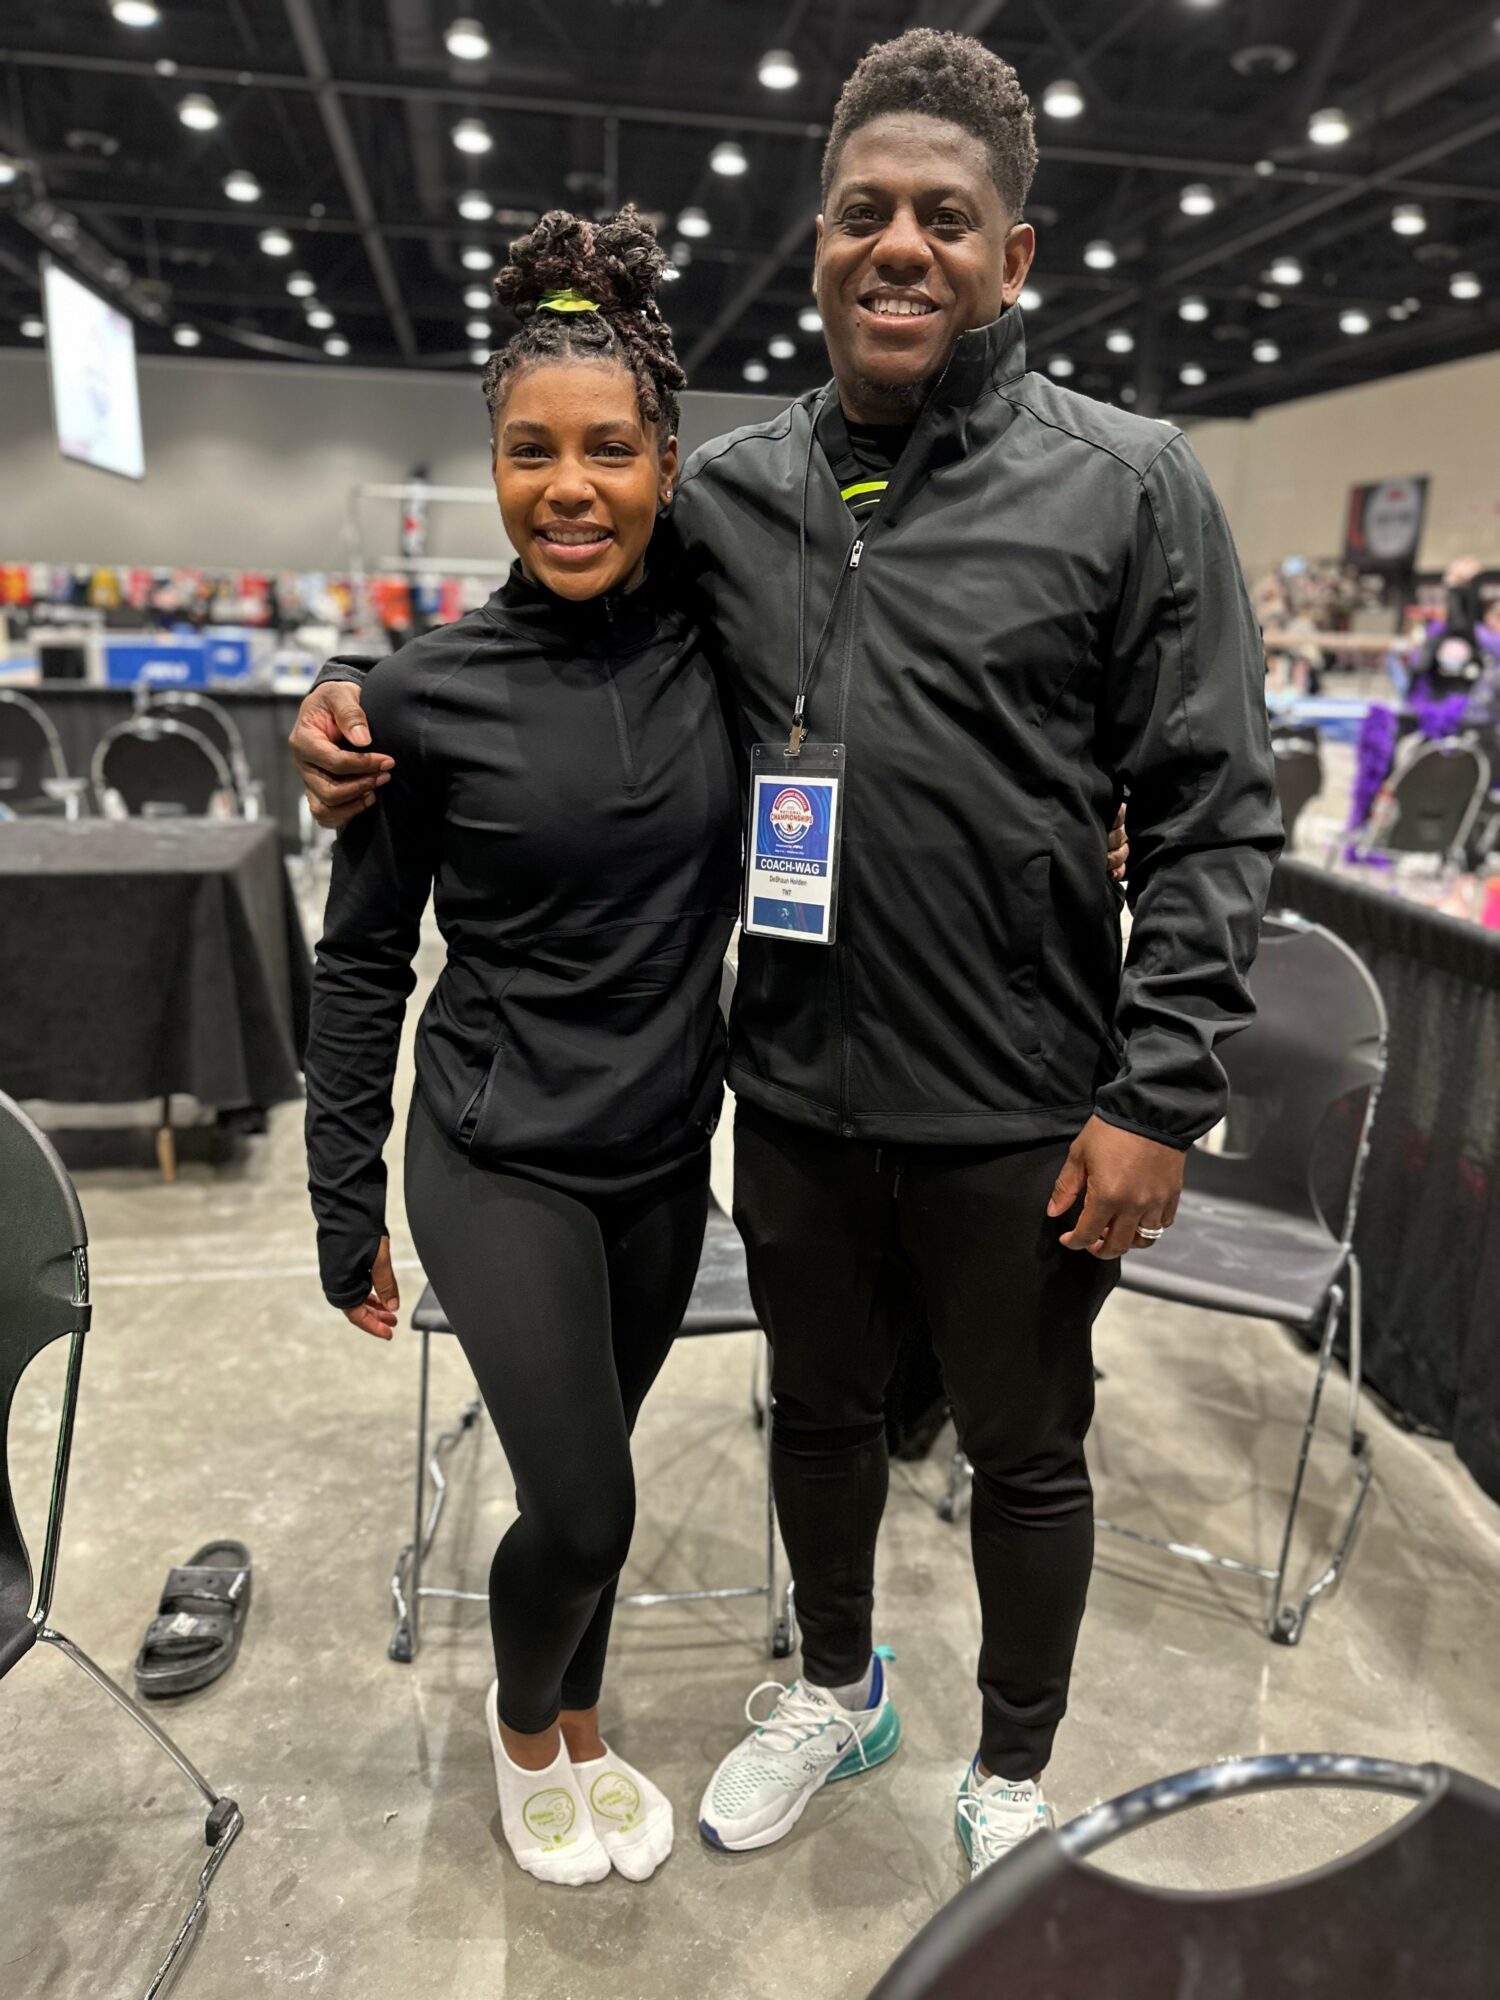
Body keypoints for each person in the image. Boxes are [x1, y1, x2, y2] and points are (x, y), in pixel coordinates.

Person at [292, 30, 1279, 1882]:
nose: (900, 246)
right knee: (813, 1419)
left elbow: (1217, 813)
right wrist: (352, 695)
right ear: (817, 242)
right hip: (796, 1089)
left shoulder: (1130, 484)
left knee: (1025, 1450)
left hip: (1022, 1097)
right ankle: (837, 1689)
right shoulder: (733, 495)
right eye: (863, 212)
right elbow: (550, 598)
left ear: (1013, 255)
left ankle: (1012, 1768)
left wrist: (1160, 1097)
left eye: (945, 218)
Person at [303, 208, 742, 1888]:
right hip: (494, 1157)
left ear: (665, 465)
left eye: (609, 450)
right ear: (490, 466)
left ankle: (584, 1722)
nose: (570, 487)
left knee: (595, 1482)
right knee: (588, 1505)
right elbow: (362, 962)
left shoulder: (726, 648)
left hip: (663, 1156)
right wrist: (342, 1195)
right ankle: (517, 1727)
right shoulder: (419, 699)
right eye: (530, 451)